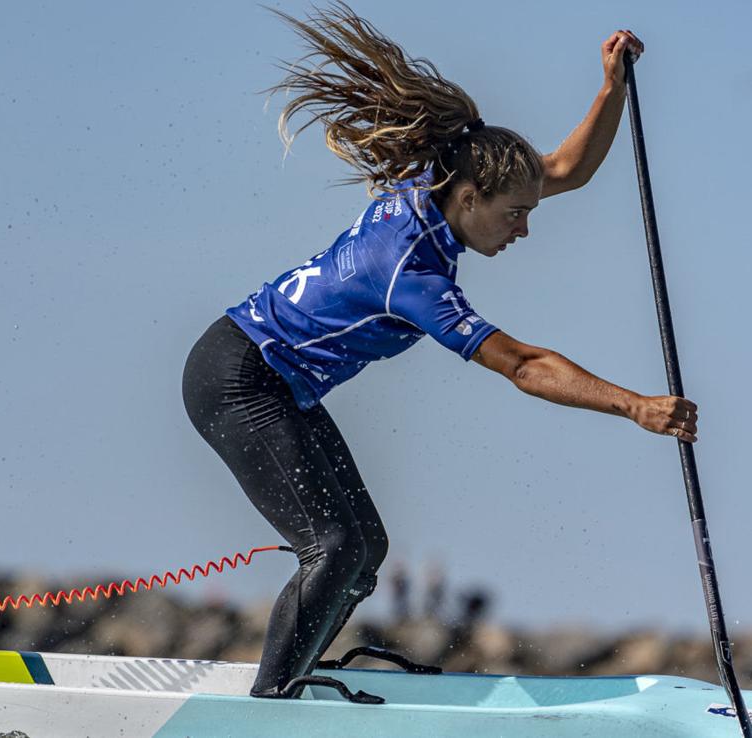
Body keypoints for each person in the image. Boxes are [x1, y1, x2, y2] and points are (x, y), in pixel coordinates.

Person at [182, 3, 695, 702]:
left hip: (272, 381)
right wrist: (635, 406)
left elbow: (566, 168)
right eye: (515, 214)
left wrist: (611, 88)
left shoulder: (439, 178)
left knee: (364, 554)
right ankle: (271, 709)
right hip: (237, 378)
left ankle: (294, 685)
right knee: (333, 548)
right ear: (472, 197)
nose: (523, 230)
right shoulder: (410, 275)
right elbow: (523, 365)